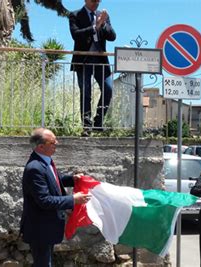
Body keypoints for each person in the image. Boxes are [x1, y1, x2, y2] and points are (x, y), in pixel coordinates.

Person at [20, 128, 91, 267]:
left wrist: (72, 179)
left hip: (47, 227)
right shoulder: (35, 168)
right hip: (40, 228)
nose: (56, 143)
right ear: (41, 146)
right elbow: (44, 200)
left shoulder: (45, 161)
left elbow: (54, 181)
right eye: (52, 141)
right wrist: (72, 199)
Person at [69, 0, 116, 134]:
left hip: (101, 60)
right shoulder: (75, 15)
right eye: (93, 0)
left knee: (108, 89)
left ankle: (98, 121)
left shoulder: (103, 16)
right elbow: (76, 35)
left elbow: (112, 37)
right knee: (86, 92)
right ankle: (87, 126)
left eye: (98, 0)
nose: (96, 3)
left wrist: (103, 23)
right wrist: (95, 26)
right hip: (83, 60)